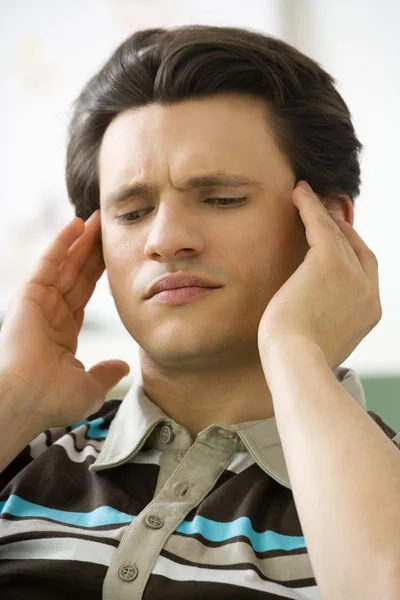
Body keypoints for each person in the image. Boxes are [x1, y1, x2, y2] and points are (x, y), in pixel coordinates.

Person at [1, 24, 400, 600]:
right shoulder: (17, 447)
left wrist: (295, 351)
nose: (166, 239)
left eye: (222, 199)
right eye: (133, 213)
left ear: (329, 227)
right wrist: (14, 397)